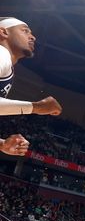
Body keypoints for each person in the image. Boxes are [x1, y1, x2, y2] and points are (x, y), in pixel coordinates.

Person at [0, 17, 63, 155]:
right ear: (3, 32)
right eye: (25, 31)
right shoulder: (2, 55)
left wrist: (2, 144)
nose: (33, 37)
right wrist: (37, 107)